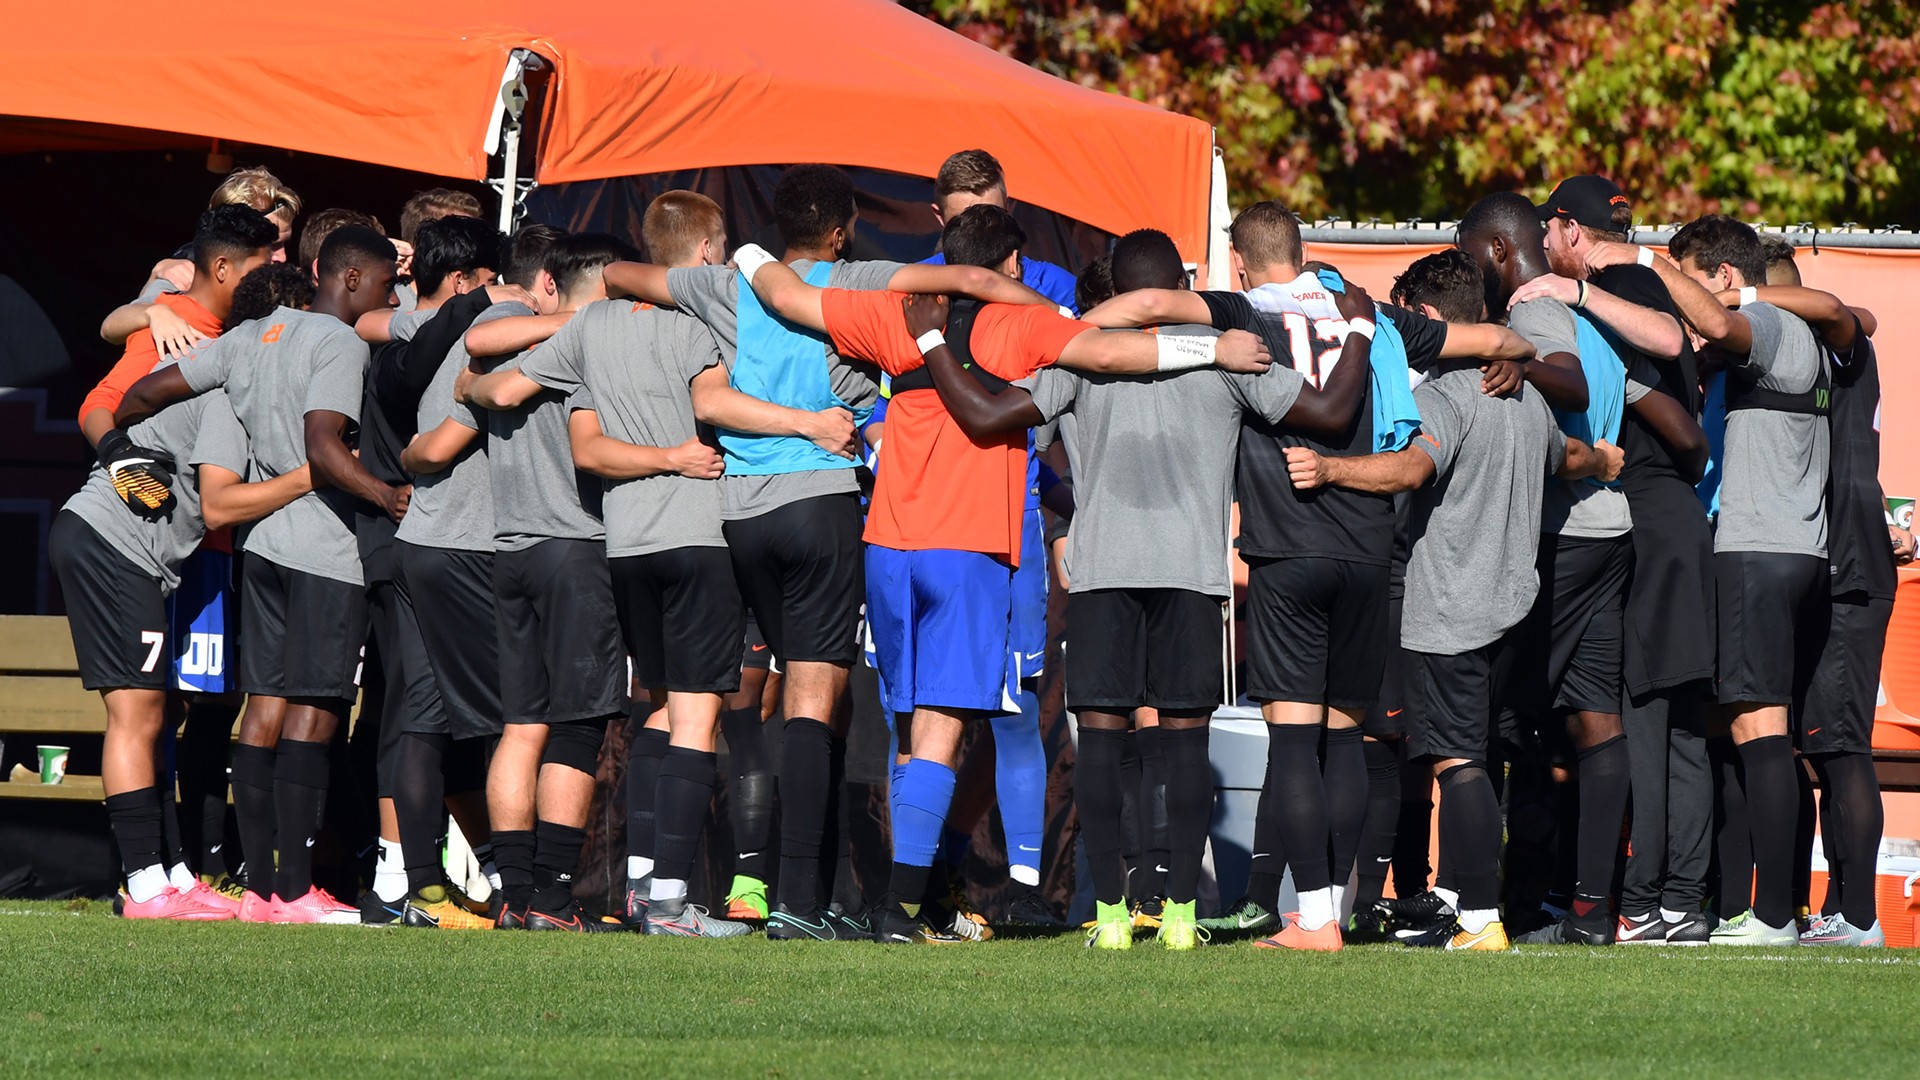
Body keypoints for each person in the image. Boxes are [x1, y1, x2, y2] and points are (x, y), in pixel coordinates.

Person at [734, 220, 1272, 945]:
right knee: (943, 731)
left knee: (907, 728)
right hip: (966, 547)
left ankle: (915, 900)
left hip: (887, 545)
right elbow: (1115, 348)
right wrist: (1214, 348)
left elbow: (786, 296)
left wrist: (743, 251)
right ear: (1012, 262)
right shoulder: (1020, 325)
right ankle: (902, 909)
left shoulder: (894, 315)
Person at [597, 164, 1050, 941]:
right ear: (842, 233)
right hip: (820, 500)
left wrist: (718, 264)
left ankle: (687, 886)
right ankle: (799, 900)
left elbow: (618, 274)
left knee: (734, 705)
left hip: (736, 509)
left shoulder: (725, 283)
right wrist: (1043, 308)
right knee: (814, 700)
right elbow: (964, 280)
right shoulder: (856, 279)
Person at [887, 229, 1366, 950]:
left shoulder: (1081, 356)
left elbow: (985, 418)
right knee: (1186, 747)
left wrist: (931, 342)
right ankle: (1179, 917)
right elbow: (1330, 413)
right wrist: (1358, 329)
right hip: (1191, 575)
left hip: (1103, 574)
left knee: (1103, 748)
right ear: (1183, 287)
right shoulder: (1228, 353)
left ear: (1116, 291)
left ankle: (1112, 916)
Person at [1081, 204, 1535, 945]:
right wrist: (1517, 357)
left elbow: (1152, 303)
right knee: (1348, 741)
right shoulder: (1375, 315)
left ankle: (1316, 916)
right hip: (1369, 548)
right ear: (1300, 249)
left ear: (1239, 260)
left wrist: (1071, 328)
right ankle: (1348, 907)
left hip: (1287, 545)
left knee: (1293, 743)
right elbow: (1498, 338)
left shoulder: (1244, 310)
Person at [460, 193, 794, 938]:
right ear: (705, 253)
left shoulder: (593, 328)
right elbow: (720, 402)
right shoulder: (705, 319)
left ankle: (634, 886)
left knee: (656, 710)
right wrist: (794, 426)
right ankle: (667, 903)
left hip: (627, 546)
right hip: (698, 536)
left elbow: (525, 405)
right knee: (697, 719)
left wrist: (469, 387)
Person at [1286, 247, 1623, 952]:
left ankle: (1478, 919)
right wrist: (1603, 458)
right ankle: (1467, 907)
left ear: (1431, 317)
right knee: (1479, 757)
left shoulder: (1445, 395)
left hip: (1450, 610)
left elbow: (1412, 467)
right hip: (1511, 608)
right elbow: (1566, 457)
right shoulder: (1526, 397)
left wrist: (1331, 469)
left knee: (1456, 762)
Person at [113, 226, 406, 924]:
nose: (391, 299)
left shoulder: (246, 337)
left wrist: (127, 451)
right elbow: (324, 448)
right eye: (387, 285)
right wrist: (386, 495)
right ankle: (294, 890)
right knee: (316, 707)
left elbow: (143, 393)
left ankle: (262, 892)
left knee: (264, 705)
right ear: (354, 279)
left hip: (260, 546)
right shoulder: (338, 341)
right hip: (325, 548)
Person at [1583, 216, 1831, 946]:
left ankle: (1772, 916)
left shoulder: (1768, 325)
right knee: (1717, 733)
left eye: (1685, 280)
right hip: (1773, 550)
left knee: (1757, 731)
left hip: (1757, 551)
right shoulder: (1766, 343)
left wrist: (1638, 260)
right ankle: (1718, 906)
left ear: (1722, 276)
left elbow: (1726, 326)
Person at [1513, 176, 1718, 946]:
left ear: (1570, 229)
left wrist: (1574, 294)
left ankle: (1646, 903)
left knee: (1646, 722)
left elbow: (1668, 344)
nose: (1541, 249)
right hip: (1671, 517)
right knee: (1677, 725)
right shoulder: (1636, 282)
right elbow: (1689, 430)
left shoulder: (1614, 289)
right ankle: (1673, 902)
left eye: (1548, 231)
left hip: (1647, 521)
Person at [1458, 191, 1636, 945]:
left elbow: (1571, 381)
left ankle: (1483, 902)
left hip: (1561, 537)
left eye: (1471, 256)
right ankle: (1589, 912)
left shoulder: (1533, 309)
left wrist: (1518, 362)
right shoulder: (1594, 314)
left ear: (1500, 249)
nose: (1470, 271)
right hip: (1610, 529)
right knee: (1596, 724)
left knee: (1495, 719)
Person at [456, 232, 634, 933]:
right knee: (577, 728)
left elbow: (481, 355)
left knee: (521, 726)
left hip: (511, 550)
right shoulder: (596, 345)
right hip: (575, 547)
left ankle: (515, 894)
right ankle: (554, 900)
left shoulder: (506, 338)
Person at [353, 214, 521, 931]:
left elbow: (372, 320)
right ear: (464, 280)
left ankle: (430, 884)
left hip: (411, 542)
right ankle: (456, 881)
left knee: (424, 715)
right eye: (489, 278)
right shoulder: (465, 329)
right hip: (444, 541)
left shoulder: (399, 327)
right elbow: (434, 434)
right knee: (489, 716)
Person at [1724, 262, 1897, 947]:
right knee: (1811, 744)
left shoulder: (1837, 342)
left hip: (1852, 558)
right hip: (1826, 556)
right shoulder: (1814, 348)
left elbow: (1848, 315)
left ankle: (1860, 917)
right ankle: (1821, 908)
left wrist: (1745, 296)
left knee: (1841, 745)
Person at [98, 168, 303, 355]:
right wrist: (154, 312)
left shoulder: (279, 280)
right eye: (272, 245)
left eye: (285, 243)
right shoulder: (186, 272)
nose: (283, 257)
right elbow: (110, 328)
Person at [922, 149, 1078, 310]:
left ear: (1007, 207)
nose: (978, 231)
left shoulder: (1055, 287)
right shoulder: (916, 289)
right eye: (962, 221)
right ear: (939, 216)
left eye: (992, 217)